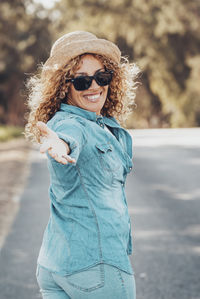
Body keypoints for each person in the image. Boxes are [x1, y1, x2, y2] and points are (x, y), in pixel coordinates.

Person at [25, 31, 140, 299]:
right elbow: (68, 137)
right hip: (97, 268)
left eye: (101, 76)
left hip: (56, 264)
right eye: (81, 80)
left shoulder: (94, 123)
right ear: (63, 86)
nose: (94, 86)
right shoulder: (70, 124)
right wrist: (59, 144)